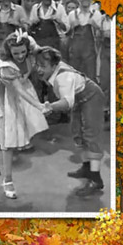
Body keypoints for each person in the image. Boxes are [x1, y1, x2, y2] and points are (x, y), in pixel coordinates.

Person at [0, 30, 49, 199]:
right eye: (16, 53)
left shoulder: (28, 52)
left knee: (4, 137)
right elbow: (19, 90)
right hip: (3, 103)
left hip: (13, 99)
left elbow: (35, 49)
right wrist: (39, 105)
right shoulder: (5, 67)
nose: (21, 55)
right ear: (8, 52)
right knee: (8, 142)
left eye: (23, 51)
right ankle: (8, 181)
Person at [36, 46, 106, 196]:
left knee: (91, 135)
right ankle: (87, 168)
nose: (39, 70)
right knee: (77, 132)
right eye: (37, 65)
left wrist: (49, 106)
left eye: (43, 66)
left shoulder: (63, 78)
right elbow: (36, 47)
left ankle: (96, 179)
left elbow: (67, 102)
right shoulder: (54, 65)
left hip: (91, 97)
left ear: (54, 66)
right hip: (79, 100)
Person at [67, 0, 102, 82]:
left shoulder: (97, 14)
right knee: (74, 79)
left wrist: (96, 26)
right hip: (75, 55)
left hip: (90, 55)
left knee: (90, 79)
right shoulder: (71, 15)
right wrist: (72, 28)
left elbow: (102, 36)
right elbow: (66, 35)